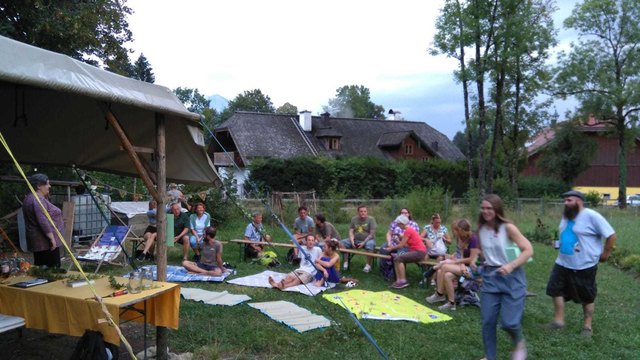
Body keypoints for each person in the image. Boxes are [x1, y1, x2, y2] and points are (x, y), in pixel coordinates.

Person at [544, 190, 616, 338]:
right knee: (554, 289)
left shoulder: (591, 216)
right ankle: (559, 321)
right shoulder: (567, 215)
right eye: (565, 200)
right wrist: (559, 244)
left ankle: (587, 327)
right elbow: (567, 234)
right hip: (562, 262)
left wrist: (605, 254)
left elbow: (611, 235)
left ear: (579, 201)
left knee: (587, 296)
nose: (566, 203)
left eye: (569, 200)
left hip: (584, 265)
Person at [469, 194, 533, 360]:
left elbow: (528, 250)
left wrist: (511, 265)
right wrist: (478, 260)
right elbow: (486, 252)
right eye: (483, 208)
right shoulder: (480, 229)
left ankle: (519, 343)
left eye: (489, 208)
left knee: (509, 322)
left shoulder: (508, 228)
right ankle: (490, 357)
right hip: (491, 278)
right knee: (488, 321)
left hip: (512, 277)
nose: (485, 211)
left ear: (497, 209)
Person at [426, 218, 480, 311]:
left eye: (458, 231)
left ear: (462, 230)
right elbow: (462, 255)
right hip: (464, 267)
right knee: (447, 275)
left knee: (444, 266)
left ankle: (439, 294)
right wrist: (462, 265)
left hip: (474, 269)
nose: (456, 233)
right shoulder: (461, 238)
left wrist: (456, 262)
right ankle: (451, 303)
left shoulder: (473, 238)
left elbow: (471, 259)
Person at [22, 173, 64, 268]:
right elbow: (42, 220)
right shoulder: (37, 200)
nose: (49, 186)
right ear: (39, 186)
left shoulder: (29, 198)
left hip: (40, 243)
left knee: (42, 270)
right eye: (47, 184)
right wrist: (52, 239)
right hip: (46, 244)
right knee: (52, 271)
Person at [387, 215, 427, 289]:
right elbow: (406, 245)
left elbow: (401, 245)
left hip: (419, 252)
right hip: (417, 251)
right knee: (396, 258)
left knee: (398, 259)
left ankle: (403, 281)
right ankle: (398, 281)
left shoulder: (408, 231)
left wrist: (391, 248)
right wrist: (397, 240)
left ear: (402, 223)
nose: (398, 226)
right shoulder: (409, 230)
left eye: (398, 224)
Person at [379, 208, 420, 280]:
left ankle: (392, 275)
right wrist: (389, 243)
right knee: (383, 249)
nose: (403, 214)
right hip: (393, 243)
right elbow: (389, 233)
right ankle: (385, 271)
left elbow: (413, 239)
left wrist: (398, 241)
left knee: (399, 255)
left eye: (405, 213)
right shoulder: (395, 223)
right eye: (402, 213)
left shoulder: (413, 225)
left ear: (409, 214)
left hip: (405, 246)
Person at [341, 205, 377, 272]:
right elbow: (351, 231)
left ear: (367, 212)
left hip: (368, 240)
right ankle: (346, 262)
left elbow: (372, 234)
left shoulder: (371, 219)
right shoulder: (354, 219)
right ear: (358, 212)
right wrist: (352, 241)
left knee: (370, 245)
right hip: (355, 239)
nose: (363, 213)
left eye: (365, 211)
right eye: (361, 211)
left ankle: (368, 265)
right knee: (342, 243)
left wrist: (364, 242)